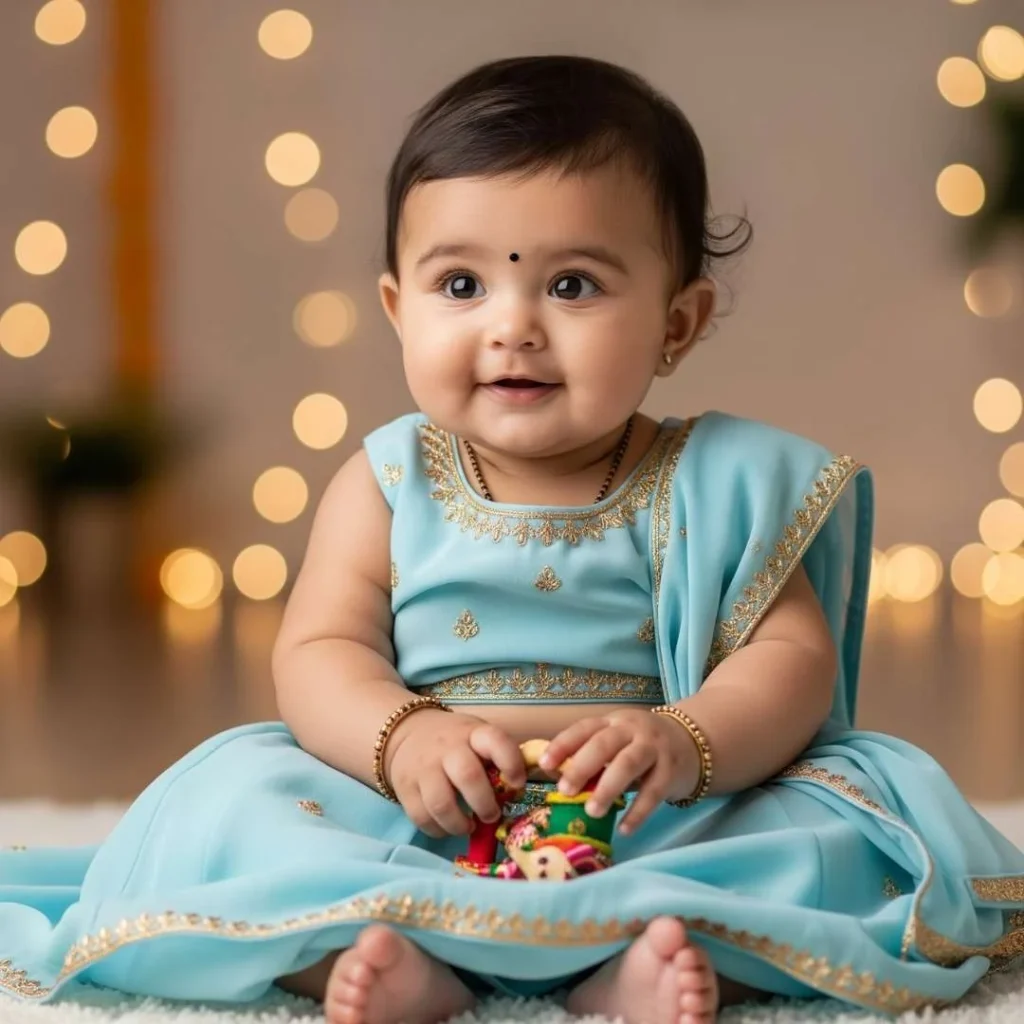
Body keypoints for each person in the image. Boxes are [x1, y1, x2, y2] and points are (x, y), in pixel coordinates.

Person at [2, 54, 1023, 1024]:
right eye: (461, 286)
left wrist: (687, 740)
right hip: (418, 815)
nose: (514, 325)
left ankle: (631, 965)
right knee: (238, 810)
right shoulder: (387, 481)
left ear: (678, 322)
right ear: (398, 310)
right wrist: (401, 736)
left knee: (824, 833)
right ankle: (392, 958)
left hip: (645, 813)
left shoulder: (715, 484)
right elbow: (320, 651)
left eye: (572, 284)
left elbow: (789, 661)